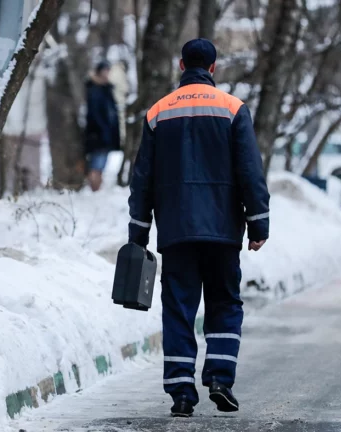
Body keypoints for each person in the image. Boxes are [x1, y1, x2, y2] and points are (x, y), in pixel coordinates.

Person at [127, 39, 270, 418]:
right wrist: (258, 222)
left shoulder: (158, 113)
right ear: (213, 68)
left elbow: (142, 179)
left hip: (176, 232)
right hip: (223, 231)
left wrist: (138, 233)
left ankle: (181, 392)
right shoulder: (232, 109)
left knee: (178, 309)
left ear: (180, 65)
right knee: (224, 303)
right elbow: (250, 171)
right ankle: (220, 378)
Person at [84, 60, 121, 191]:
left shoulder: (106, 88)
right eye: (105, 70)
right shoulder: (94, 89)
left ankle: (97, 189)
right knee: (97, 163)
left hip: (106, 131)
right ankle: (94, 189)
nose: (107, 73)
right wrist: (103, 128)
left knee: (102, 162)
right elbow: (94, 113)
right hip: (97, 133)